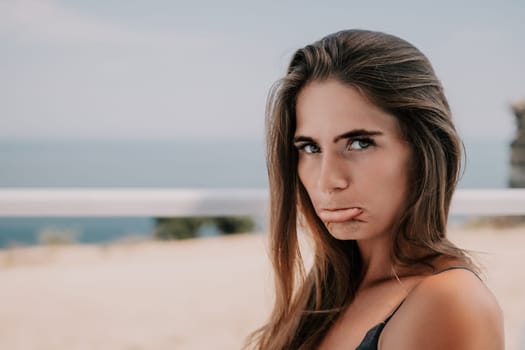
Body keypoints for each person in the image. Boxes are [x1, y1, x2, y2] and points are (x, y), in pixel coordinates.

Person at [246, 29, 504, 350]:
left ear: (422, 150)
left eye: (359, 142)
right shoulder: (327, 294)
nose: (328, 180)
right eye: (310, 148)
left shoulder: (448, 300)